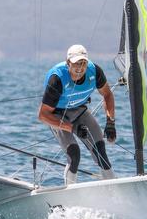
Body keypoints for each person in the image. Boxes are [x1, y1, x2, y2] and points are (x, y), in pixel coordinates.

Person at [38, 44, 116, 185]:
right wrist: (73, 128)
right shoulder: (57, 78)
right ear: (68, 63)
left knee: (101, 152)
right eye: (76, 63)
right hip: (57, 115)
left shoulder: (95, 72)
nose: (80, 68)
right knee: (74, 154)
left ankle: (115, 191)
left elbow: (107, 94)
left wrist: (110, 122)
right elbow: (43, 115)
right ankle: (70, 192)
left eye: (83, 63)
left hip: (79, 110)